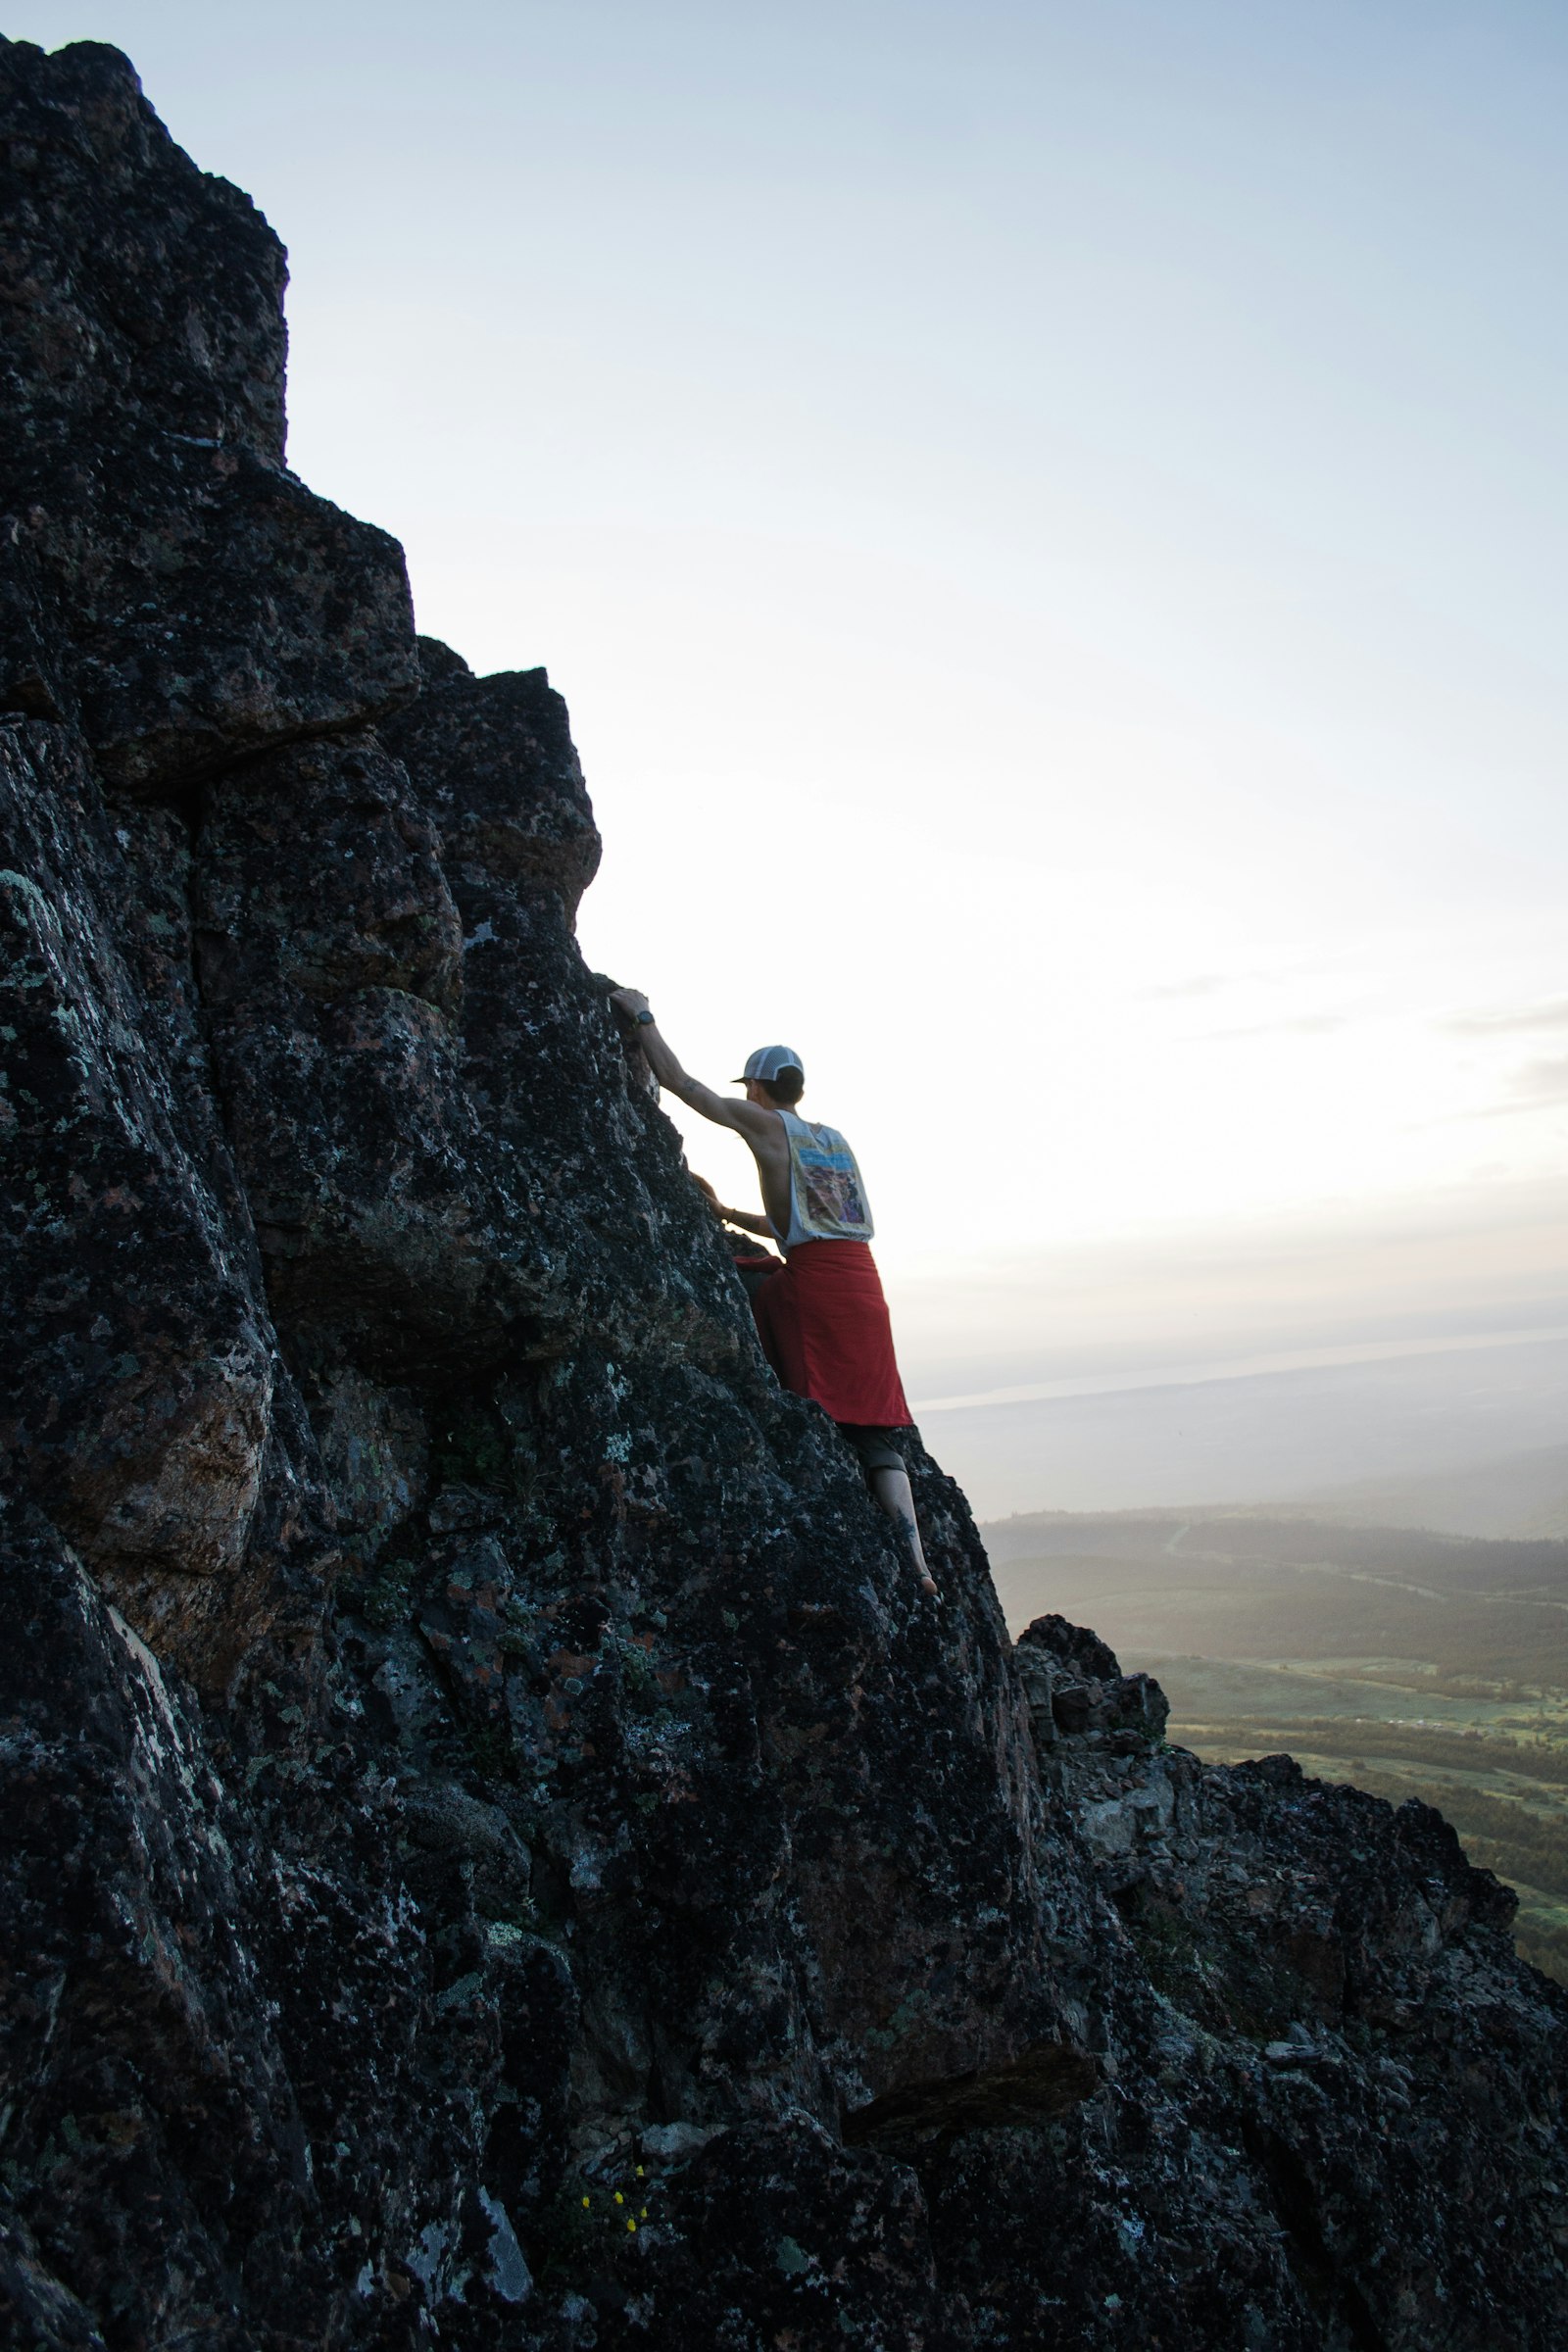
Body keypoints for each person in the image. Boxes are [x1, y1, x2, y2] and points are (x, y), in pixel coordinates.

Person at [610, 991, 937, 1595]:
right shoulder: (833, 1140)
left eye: (749, 1087)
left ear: (757, 1088)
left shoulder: (763, 1122)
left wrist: (642, 1016)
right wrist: (732, 1210)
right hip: (864, 1285)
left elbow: (682, 1084)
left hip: (814, 1288)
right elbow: (818, 1224)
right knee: (876, 1432)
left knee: (740, 1283)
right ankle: (917, 1563)